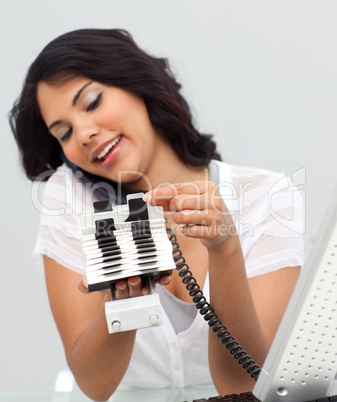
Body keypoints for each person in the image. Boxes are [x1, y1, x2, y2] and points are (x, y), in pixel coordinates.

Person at [10, 28, 304, 401]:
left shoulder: (268, 197)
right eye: (63, 133)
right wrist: (122, 303)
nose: (82, 134)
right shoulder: (70, 199)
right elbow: (95, 386)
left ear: (138, 85)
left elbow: (242, 387)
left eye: (92, 102)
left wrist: (226, 250)